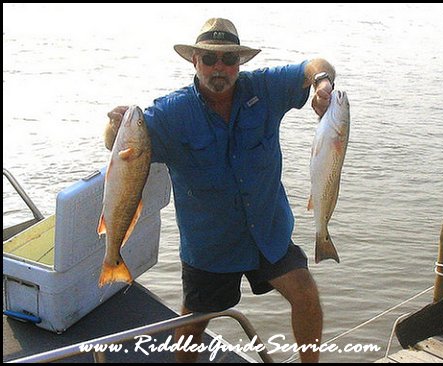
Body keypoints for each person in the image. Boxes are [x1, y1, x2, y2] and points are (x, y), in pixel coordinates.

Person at [105, 18, 335, 363]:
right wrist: (113, 125)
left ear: (239, 63)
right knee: (193, 323)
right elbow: (117, 148)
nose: (219, 67)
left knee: (305, 294)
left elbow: (315, 65)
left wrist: (321, 83)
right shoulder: (171, 113)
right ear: (194, 61)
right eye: (210, 59)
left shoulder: (265, 89)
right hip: (210, 244)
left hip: (267, 232)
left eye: (229, 59)